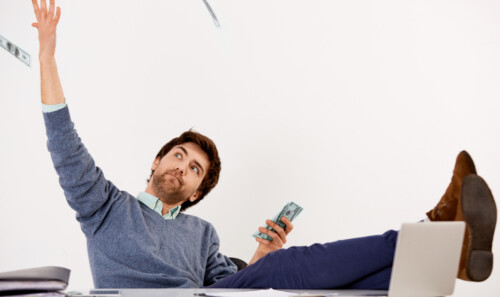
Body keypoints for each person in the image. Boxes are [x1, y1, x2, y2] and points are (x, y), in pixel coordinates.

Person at [31, 0, 497, 290]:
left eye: (195, 169)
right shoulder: (105, 208)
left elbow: (230, 285)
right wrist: (47, 56)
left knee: (311, 280)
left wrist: (259, 260)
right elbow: (64, 143)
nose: (183, 167)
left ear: (195, 192)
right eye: (179, 155)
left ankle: (443, 258)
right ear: (157, 160)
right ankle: (436, 229)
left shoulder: (202, 234)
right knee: (288, 270)